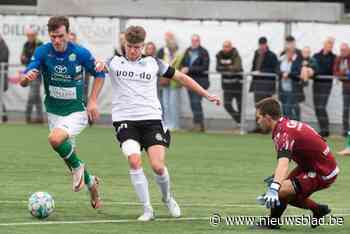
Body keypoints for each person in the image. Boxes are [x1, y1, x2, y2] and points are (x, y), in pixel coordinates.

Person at [96, 25, 220, 221]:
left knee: (157, 166)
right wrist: (99, 65)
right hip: (125, 121)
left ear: (143, 46)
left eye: (137, 47)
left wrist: (206, 94)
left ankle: (167, 198)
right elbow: (98, 68)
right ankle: (147, 209)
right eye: (129, 46)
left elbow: (182, 77)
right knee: (134, 160)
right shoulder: (114, 62)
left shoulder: (154, 63)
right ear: (124, 44)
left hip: (152, 120)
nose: (133, 51)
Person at [19, 16, 105, 209]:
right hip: (54, 113)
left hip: (76, 112)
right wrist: (27, 78)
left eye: (60, 36)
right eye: (53, 37)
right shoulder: (42, 51)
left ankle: (78, 168)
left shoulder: (80, 53)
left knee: (55, 140)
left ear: (67, 33)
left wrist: (92, 101)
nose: (56, 41)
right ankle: (93, 186)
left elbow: (100, 73)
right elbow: (26, 77)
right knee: (69, 154)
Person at [255, 97, 339, 229]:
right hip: (311, 165)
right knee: (283, 190)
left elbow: (283, 163)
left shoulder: (283, 133)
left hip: (322, 171)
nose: (257, 121)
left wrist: (274, 188)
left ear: (267, 117)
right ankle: (318, 210)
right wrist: (276, 178)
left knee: (279, 190)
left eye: (258, 117)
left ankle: (271, 223)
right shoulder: (285, 125)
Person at [180, 34, 210, 132]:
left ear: (199, 41)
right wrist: (182, 68)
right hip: (189, 82)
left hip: (201, 82)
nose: (194, 42)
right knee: (193, 103)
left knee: (196, 102)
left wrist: (189, 69)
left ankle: (199, 124)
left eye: (196, 40)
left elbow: (204, 67)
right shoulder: (187, 51)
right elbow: (183, 63)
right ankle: (197, 123)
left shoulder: (204, 52)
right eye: (193, 40)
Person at [157, 32, 183, 130]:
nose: (169, 41)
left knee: (173, 104)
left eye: (170, 39)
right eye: (167, 39)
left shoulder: (179, 52)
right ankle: (167, 124)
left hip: (175, 82)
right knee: (165, 104)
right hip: (164, 80)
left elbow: (182, 65)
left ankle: (175, 124)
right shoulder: (162, 51)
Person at [312, 37, 336, 137]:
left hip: (326, 84)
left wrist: (316, 71)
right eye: (328, 43)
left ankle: (325, 129)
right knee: (317, 107)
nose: (330, 45)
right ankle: (322, 129)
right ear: (324, 44)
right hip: (316, 83)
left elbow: (328, 70)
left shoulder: (334, 57)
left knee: (322, 106)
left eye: (331, 44)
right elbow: (313, 66)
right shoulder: (316, 56)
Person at [216, 40, 243, 126]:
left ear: (231, 47)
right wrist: (230, 68)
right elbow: (218, 68)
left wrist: (225, 68)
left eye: (227, 46)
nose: (225, 48)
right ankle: (239, 120)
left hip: (237, 84)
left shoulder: (235, 53)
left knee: (240, 105)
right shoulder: (219, 55)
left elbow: (237, 67)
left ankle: (241, 124)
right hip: (226, 85)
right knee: (227, 104)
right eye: (224, 46)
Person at [21, 26, 44, 123]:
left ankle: (27, 116)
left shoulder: (39, 44)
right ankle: (39, 117)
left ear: (35, 35)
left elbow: (38, 58)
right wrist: (24, 59)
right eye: (28, 35)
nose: (29, 37)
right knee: (36, 96)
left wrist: (28, 59)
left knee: (32, 95)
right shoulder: (26, 44)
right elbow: (22, 58)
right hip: (28, 72)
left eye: (31, 35)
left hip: (37, 73)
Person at [0, 34, 9, 123]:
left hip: (1, 77)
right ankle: (3, 116)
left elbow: (3, 59)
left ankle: (4, 116)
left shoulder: (4, 47)